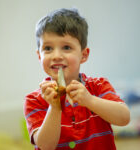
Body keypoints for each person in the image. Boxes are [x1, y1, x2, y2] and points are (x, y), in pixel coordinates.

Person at [24, 8, 130, 150]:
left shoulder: (99, 86)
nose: (56, 55)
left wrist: (89, 100)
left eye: (66, 47)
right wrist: (54, 108)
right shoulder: (34, 100)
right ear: (39, 56)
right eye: (48, 48)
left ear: (84, 55)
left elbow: (124, 118)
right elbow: (45, 146)